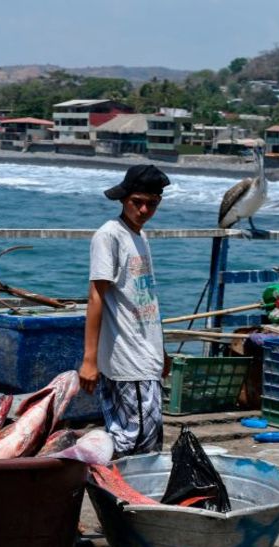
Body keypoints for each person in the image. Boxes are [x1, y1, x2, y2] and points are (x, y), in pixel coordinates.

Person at [78, 164, 171, 457]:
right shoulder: (110, 235)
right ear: (124, 199)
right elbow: (95, 296)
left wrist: (162, 351)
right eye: (137, 202)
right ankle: (107, 490)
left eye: (152, 204)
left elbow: (145, 300)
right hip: (127, 361)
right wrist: (89, 360)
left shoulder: (140, 238)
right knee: (134, 441)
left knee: (147, 438)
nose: (144, 210)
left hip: (147, 357)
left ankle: (123, 496)